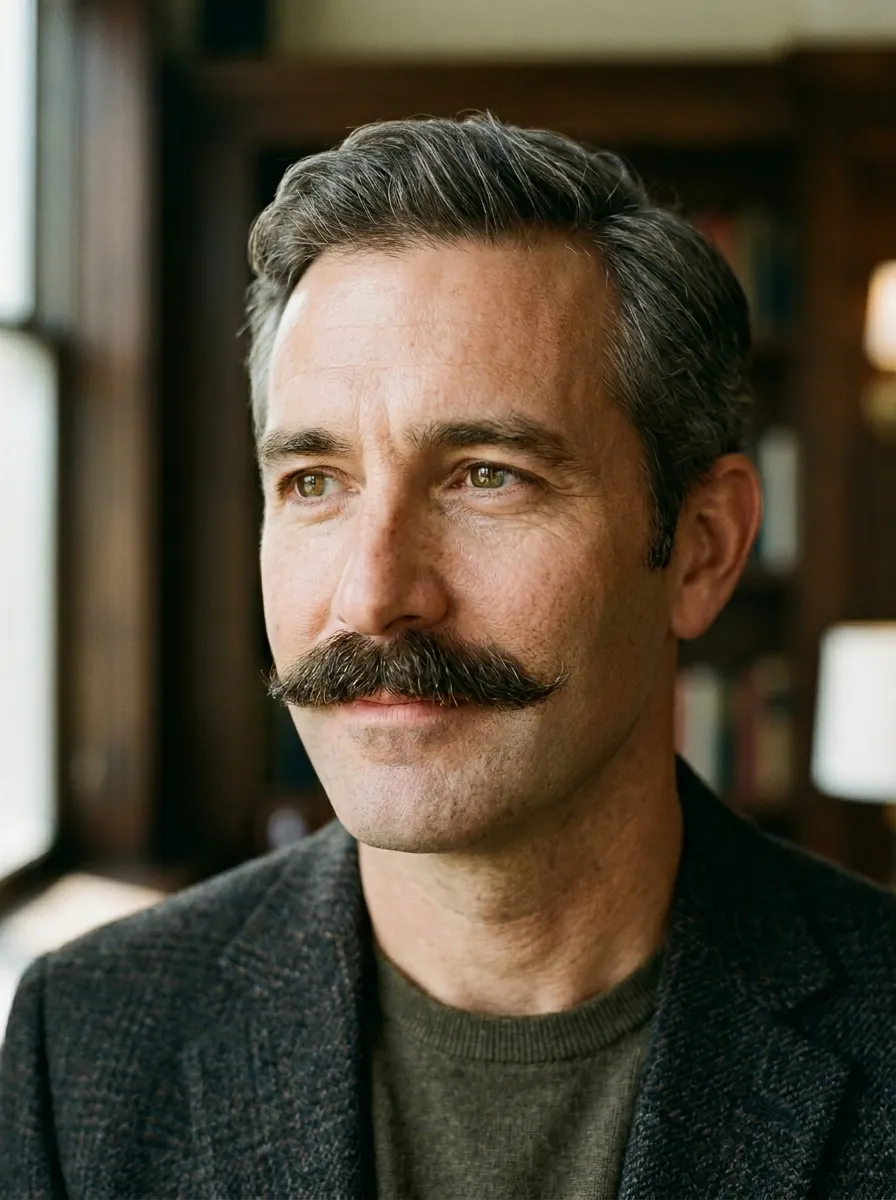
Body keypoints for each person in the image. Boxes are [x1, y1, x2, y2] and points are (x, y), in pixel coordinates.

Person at [1, 115, 894, 1200]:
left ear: (700, 550)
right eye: (314, 483)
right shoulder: (84, 1040)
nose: (374, 594)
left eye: (486, 475)